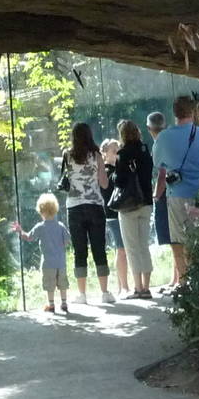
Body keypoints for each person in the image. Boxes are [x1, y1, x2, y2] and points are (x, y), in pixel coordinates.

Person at [59, 121, 115, 305]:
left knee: (79, 251)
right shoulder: (97, 156)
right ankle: (105, 292)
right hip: (95, 206)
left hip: (74, 207)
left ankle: (82, 295)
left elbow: (64, 180)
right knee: (99, 248)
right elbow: (105, 184)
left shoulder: (67, 155)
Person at [153, 96, 199, 287]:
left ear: (174, 113)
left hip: (176, 194)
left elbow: (159, 164)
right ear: (194, 112)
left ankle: (183, 282)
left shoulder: (163, 137)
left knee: (177, 240)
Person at [111, 119, 155, 298]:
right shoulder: (145, 150)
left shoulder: (123, 153)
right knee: (144, 245)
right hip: (146, 201)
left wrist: (114, 173)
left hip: (129, 205)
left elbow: (119, 180)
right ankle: (147, 286)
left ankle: (137, 288)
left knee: (132, 247)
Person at [12, 193, 71, 314]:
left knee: (50, 284)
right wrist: (59, 247)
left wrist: (19, 230)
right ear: (55, 209)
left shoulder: (40, 227)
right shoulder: (61, 226)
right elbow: (67, 241)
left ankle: (51, 305)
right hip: (61, 262)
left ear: (41, 211)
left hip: (48, 263)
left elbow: (28, 237)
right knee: (62, 283)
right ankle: (64, 303)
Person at [99, 138, 130, 296]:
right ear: (104, 153)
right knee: (121, 249)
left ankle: (121, 286)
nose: (117, 153)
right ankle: (124, 286)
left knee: (123, 249)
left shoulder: (118, 168)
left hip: (121, 213)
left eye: (118, 150)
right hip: (113, 214)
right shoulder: (105, 171)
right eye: (113, 150)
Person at [146, 110, 172, 261]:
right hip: (176, 192)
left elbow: (162, 174)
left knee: (169, 236)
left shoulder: (159, 145)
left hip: (164, 194)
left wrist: (156, 195)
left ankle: (178, 276)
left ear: (149, 129)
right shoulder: (171, 141)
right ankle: (177, 275)